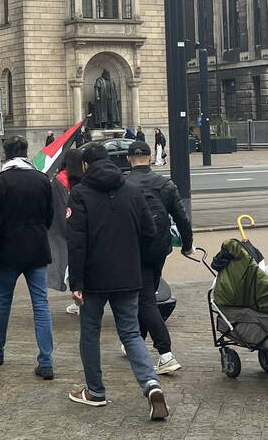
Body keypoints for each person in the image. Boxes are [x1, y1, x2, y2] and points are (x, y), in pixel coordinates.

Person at [66, 143, 168, 420]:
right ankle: (151, 384)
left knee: (90, 333)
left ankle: (96, 392)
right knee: (131, 332)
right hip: (128, 274)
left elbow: (76, 242)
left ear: (85, 165)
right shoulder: (131, 190)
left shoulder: (80, 194)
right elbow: (150, 231)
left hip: (93, 277)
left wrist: (76, 282)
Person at [0, 135, 56, 381]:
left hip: (8, 250)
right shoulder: (42, 180)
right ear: (26, 151)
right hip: (37, 248)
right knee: (41, 304)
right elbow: (49, 216)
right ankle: (46, 360)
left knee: (3, 301)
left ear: (6, 153)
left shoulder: (0, 181)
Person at [124, 140, 194, 375]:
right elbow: (182, 219)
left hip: (134, 250)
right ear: (151, 158)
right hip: (159, 249)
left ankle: (166, 354)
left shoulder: (123, 184)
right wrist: (187, 246)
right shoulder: (165, 184)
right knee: (147, 294)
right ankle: (135, 341)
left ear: (127, 160)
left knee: (145, 300)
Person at [48, 148, 85, 316]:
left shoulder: (58, 181)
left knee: (68, 264)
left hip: (65, 229)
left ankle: (77, 299)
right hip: (84, 229)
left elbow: (57, 208)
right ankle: (81, 298)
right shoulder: (86, 179)